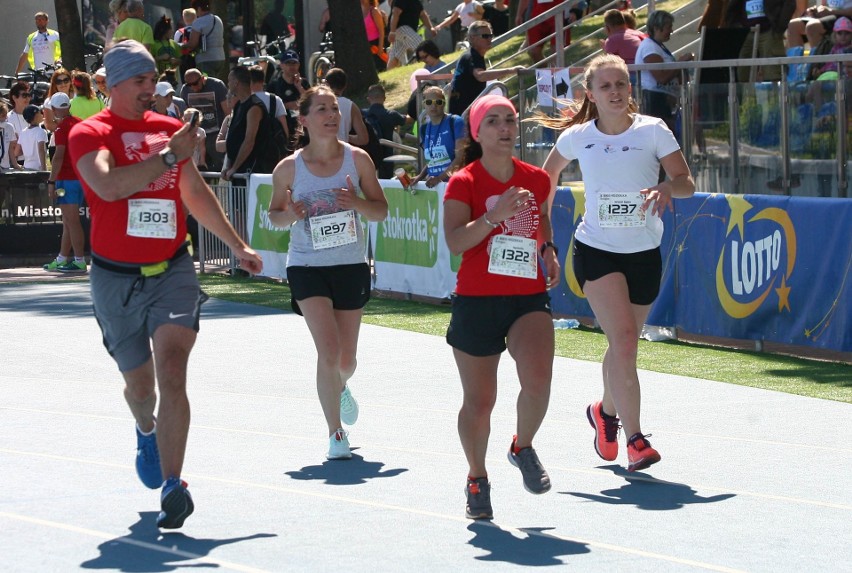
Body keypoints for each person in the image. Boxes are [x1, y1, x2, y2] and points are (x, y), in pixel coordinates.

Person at [68, 40, 262, 529]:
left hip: (172, 268)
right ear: (112, 85)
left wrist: (237, 245)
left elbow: (193, 191)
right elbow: (108, 187)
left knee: (173, 369)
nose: (148, 89)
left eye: (153, 80)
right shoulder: (90, 132)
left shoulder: (169, 130)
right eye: (139, 80)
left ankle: (175, 485)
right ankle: (145, 426)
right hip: (114, 279)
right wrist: (166, 159)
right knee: (140, 387)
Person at [540, 54, 695, 474]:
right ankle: (636, 439)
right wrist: (543, 234)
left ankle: (604, 411)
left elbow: (687, 183)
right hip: (596, 250)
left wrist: (667, 188)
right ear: (590, 93)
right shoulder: (578, 137)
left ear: (631, 89)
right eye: (606, 86)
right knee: (626, 341)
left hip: (644, 253)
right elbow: (545, 178)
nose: (615, 92)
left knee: (622, 346)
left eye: (621, 84)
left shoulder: (653, 131)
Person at [443, 94, 560, 520]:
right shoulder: (464, 183)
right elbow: (455, 242)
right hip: (476, 298)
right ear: (477, 132)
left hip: (527, 294)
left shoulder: (536, 178)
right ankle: (477, 476)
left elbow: (541, 218)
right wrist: (495, 217)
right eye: (493, 121)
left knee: (538, 380)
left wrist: (547, 248)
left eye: (509, 119)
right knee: (480, 401)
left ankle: (522, 445)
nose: (505, 128)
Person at [267, 85, 388, 460]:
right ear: (303, 119)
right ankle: (335, 434)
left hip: (350, 265)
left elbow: (380, 211)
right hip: (306, 266)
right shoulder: (288, 168)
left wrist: (356, 202)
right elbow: (274, 216)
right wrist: (292, 214)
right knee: (329, 349)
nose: (332, 115)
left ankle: (340, 386)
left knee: (346, 361)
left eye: (335, 108)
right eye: (322, 109)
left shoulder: (359, 161)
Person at [43, 93, 87, 273]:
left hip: (66, 180)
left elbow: (58, 156)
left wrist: (51, 182)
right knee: (68, 221)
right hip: (79, 179)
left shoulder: (61, 130)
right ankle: (62, 258)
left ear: (53, 110)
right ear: (68, 106)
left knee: (72, 221)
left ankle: (79, 260)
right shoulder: (80, 123)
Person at [634, 10, 694, 134]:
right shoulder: (649, 47)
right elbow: (661, 77)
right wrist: (680, 63)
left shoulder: (658, 46)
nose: (671, 31)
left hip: (664, 100)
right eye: (668, 27)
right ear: (657, 28)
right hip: (655, 100)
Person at [448, 21, 524, 116]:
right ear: (472, 37)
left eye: (490, 36)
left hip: (466, 112)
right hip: (463, 115)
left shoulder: (474, 55)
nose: (489, 39)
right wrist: (511, 70)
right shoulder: (471, 56)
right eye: (485, 36)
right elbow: (480, 75)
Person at [724, 0, 797, 82]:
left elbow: (789, 3)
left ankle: (775, 94)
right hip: (746, 33)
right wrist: (737, 27)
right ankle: (745, 94)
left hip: (770, 31)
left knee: (774, 72)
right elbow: (731, 10)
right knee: (742, 73)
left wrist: (779, 27)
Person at [411, 85, 465, 187]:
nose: (433, 106)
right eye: (429, 102)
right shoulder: (424, 128)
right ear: (424, 105)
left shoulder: (455, 122)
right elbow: (433, 160)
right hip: (435, 187)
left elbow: (460, 158)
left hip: (455, 185)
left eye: (438, 102)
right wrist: (420, 176)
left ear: (444, 104)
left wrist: (440, 178)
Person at [179, 68, 229, 170]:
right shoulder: (185, 90)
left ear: (202, 78)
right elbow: (184, 115)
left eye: (195, 83)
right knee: (199, 168)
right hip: (196, 136)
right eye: (189, 84)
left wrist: (225, 133)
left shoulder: (217, 85)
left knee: (220, 167)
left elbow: (227, 111)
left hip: (215, 134)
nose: (193, 87)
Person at [222, 66, 265, 180]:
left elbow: (249, 140)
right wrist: (228, 166)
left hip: (251, 170)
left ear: (236, 82)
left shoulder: (254, 107)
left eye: (229, 81)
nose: (228, 84)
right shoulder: (238, 105)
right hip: (237, 171)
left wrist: (234, 168)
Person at [362, 83, 406, 179]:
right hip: (387, 160)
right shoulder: (391, 115)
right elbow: (406, 120)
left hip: (367, 159)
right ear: (384, 98)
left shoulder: (362, 115)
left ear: (368, 99)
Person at [324, 68, 370, 147]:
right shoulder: (351, 106)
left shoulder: (317, 103)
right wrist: (345, 136)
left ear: (326, 84)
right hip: (341, 152)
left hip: (319, 153)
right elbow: (363, 139)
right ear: (345, 86)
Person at [269, 50, 311, 136]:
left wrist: (299, 87)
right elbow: (269, 108)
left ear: (298, 65)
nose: (292, 67)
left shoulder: (304, 83)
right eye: (288, 63)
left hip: (303, 129)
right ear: (281, 65)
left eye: (294, 63)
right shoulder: (274, 85)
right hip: (282, 130)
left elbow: (311, 102)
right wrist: (286, 105)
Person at [387, 0, 437, 70]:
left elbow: (423, 15)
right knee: (421, 45)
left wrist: (431, 28)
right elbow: (396, 13)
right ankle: (436, 66)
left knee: (395, 56)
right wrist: (392, 32)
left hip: (404, 31)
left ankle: (389, 73)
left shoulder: (416, 2)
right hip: (401, 28)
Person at [186, 0, 227, 82]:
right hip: (220, 58)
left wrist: (181, 45)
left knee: (207, 84)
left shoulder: (198, 22)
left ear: (199, 8)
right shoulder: (217, 19)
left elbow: (192, 44)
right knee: (216, 83)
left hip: (206, 60)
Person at [602, 8, 646, 84]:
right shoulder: (639, 33)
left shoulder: (612, 40)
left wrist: (606, 47)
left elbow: (610, 65)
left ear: (607, 28)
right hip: (651, 74)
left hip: (635, 78)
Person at [786, 0, 852, 50]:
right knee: (793, 25)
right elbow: (823, 5)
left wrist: (831, 12)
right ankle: (796, 67)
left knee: (812, 27)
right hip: (830, 15)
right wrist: (816, 10)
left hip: (847, 16)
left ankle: (818, 66)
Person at [18, 104, 47, 171]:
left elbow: (17, 152)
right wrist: (44, 169)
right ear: (36, 115)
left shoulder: (23, 132)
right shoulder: (41, 132)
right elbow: (41, 150)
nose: (42, 114)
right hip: (38, 168)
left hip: (26, 167)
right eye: (40, 113)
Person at [363, 0, 388, 72]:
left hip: (376, 45)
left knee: (381, 69)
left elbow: (381, 31)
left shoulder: (374, 11)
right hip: (366, 46)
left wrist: (380, 48)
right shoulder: (358, 12)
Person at [174, 8, 198, 82]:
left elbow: (175, 46)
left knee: (185, 78)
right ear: (196, 18)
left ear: (184, 18)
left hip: (183, 60)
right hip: (197, 58)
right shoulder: (198, 31)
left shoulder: (179, 32)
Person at [0, 103, 22, 171]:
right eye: (3, 116)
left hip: (5, 166)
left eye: (6, 115)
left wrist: (15, 164)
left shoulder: (9, 127)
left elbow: (11, 148)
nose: (5, 118)